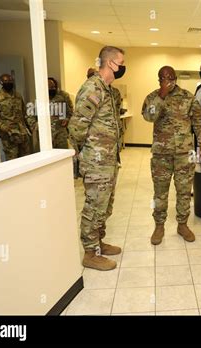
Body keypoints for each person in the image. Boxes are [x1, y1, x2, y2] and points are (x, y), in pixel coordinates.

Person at [68, 46, 126, 271]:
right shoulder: (93, 87)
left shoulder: (108, 89)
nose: (122, 67)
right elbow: (76, 127)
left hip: (109, 160)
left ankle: (98, 242)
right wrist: (87, 154)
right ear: (110, 63)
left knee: (104, 206)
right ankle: (90, 253)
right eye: (121, 62)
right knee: (94, 206)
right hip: (96, 161)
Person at [142, 66, 201, 245]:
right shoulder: (152, 97)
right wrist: (161, 95)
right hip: (161, 155)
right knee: (160, 193)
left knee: (184, 192)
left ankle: (182, 225)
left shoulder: (188, 97)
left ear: (176, 77)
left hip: (183, 154)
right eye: (163, 77)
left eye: (170, 77)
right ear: (159, 79)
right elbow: (149, 117)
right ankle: (159, 226)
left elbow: (198, 121)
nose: (168, 79)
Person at [0, 74, 31, 161]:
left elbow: (24, 113)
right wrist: (3, 127)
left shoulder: (18, 95)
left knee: (26, 159)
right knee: (12, 160)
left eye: (10, 81)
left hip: (22, 133)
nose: (9, 83)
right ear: (1, 82)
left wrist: (29, 128)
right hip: (9, 135)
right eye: (6, 81)